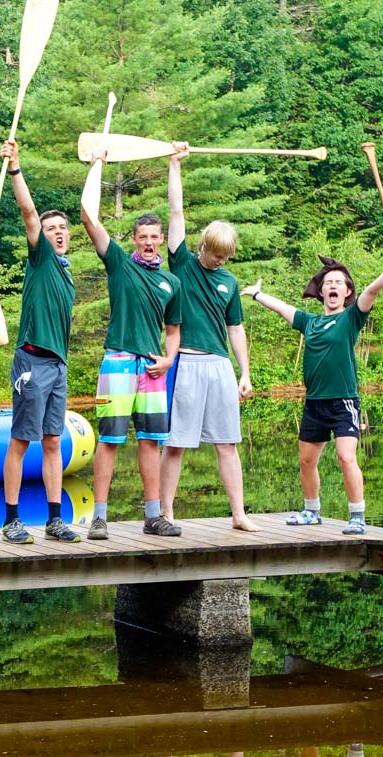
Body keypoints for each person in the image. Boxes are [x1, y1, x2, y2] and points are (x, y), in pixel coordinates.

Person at [242, 251, 383, 535]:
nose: (333, 286)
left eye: (339, 282)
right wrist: (257, 294)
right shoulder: (310, 322)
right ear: (321, 292)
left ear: (347, 292)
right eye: (328, 282)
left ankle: (357, 516)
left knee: (346, 457)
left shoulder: (352, 318)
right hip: (314, 404)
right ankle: (311, 511)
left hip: (343, 402)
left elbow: (372, 290)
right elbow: (282, 308)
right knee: (306, 460)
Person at [81, 150, 184, 541]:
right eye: (142, 237)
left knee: (152, 441)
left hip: (153, 368)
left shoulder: (172, 283)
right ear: (134, 240)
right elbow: (88, 217)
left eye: (154, 238)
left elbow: (173, 330)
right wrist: (97, 166)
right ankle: (100, 518)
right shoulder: (120, 264)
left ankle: (154, 516)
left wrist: (169, 359)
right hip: (118, 362)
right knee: (109, 438)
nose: (149, 243)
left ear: (160, 241)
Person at [162, 149, 257, 533]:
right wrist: (174, 164)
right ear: (203, 246)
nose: (220, 261)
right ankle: (166, 512)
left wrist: (244, 373)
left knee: (228, 443)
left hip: (219, 366)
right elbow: (176, 212)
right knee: (177, 443)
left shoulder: (230, 282)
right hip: (186, 361)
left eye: (226, 257)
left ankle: (238, 514)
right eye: (216, 254)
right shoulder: (182, 263)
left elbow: (235, 328)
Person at [0, 139, 81, 544]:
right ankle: (11, 519)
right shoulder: (41, 259)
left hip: (59, 365)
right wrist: (16, 167)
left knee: (52, 441)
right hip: (31, 362)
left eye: (63, 227)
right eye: (51, 229)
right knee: (20, 440)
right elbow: (29, 212)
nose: (58, 232)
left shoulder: (66, 272)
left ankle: (54, 518)